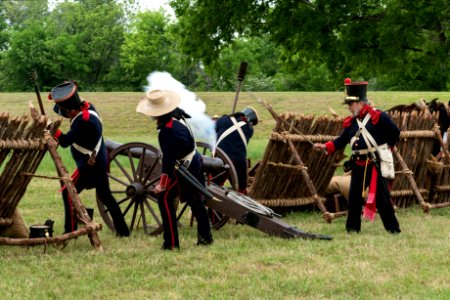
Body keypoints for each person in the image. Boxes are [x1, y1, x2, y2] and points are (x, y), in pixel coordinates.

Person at [314, 78, 401, 234]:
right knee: (354, 198)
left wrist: (388, 148)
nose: (348, 107)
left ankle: (393, 229)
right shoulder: (351, 123)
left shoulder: (379, 117)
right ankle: (352, 229)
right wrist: (325, 146)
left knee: (382, 199)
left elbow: (395, 133)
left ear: (361, 103)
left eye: (351, 104)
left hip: (375, 164)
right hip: (359, 164)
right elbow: (341, 141)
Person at [50, 81, 130, 237]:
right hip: (94, 161)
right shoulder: (87, 108)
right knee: (105, 196)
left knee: (70, 193)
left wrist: (52, 130)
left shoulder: (83, 121)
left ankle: (70, 230)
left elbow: (66, 142)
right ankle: (123, 231)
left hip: (91, 166)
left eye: (65, 113)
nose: (64, 116)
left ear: (71, 110)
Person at [136, 89, 213, 250]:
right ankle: (205, 238)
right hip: (195, 160)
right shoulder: (177, 116)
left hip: (185, 167)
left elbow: (168, 160)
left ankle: (171, 243)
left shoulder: (167, 131)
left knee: (164, 198)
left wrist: (162, 184)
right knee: (195, 200)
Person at [214, 107, 258, 194]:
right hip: (239, 163)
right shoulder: (249, 129)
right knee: (241, 189)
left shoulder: (224, 120)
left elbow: (214, 130)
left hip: (221, 158)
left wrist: (226, 119)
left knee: (215, 184)